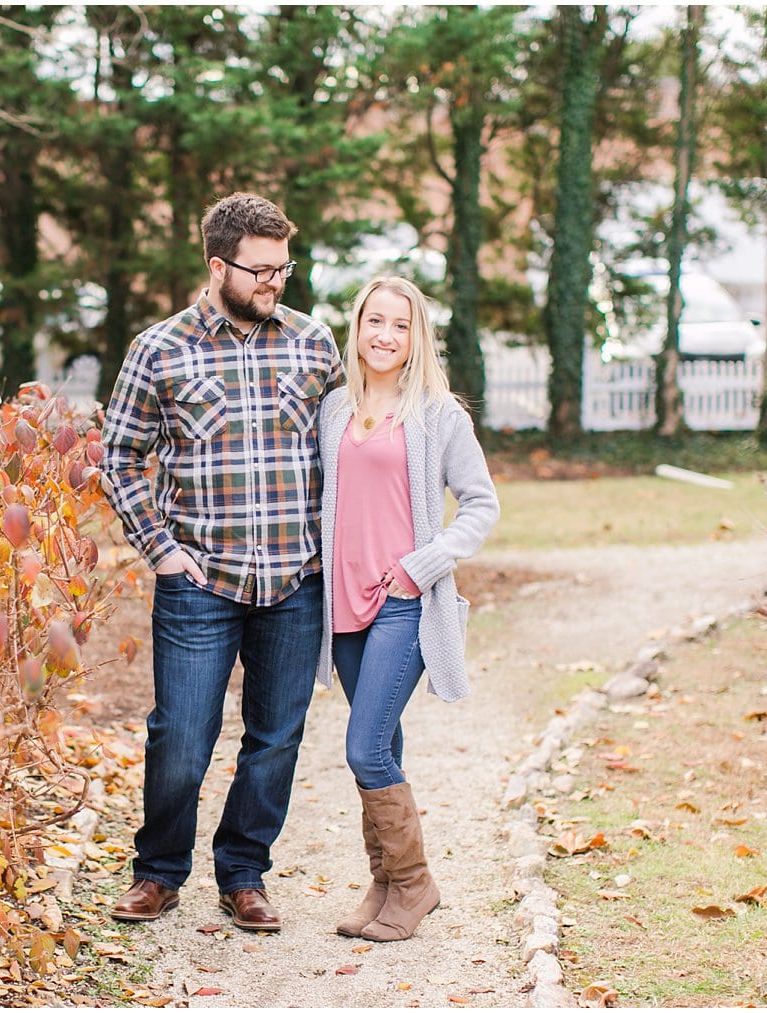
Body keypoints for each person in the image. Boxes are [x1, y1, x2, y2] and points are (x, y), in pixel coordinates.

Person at [100, 192, 343, 931]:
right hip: (200, 579)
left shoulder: (313, 343)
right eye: (260, 269)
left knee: (275, 737)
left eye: (283, 267)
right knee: (180, 736)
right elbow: (118, 456)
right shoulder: (158, 349)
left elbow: (348, 451)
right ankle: (158, 871)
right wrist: (162, 552)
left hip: (296, 580)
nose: (275, 282)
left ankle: (244, 874)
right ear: (217, 265)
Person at [316, 275, 499, 942]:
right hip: (342, 607)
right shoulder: (333, 408)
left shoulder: (438, 414)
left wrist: (418, 569)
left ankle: (415, 883)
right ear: (357, 327)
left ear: (415, 335)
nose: (384, 335)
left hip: (403, 603)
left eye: (399, 324)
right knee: (382, 742)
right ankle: (385, 883)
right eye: (374, 321)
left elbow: (481, 505)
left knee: (363, 747)